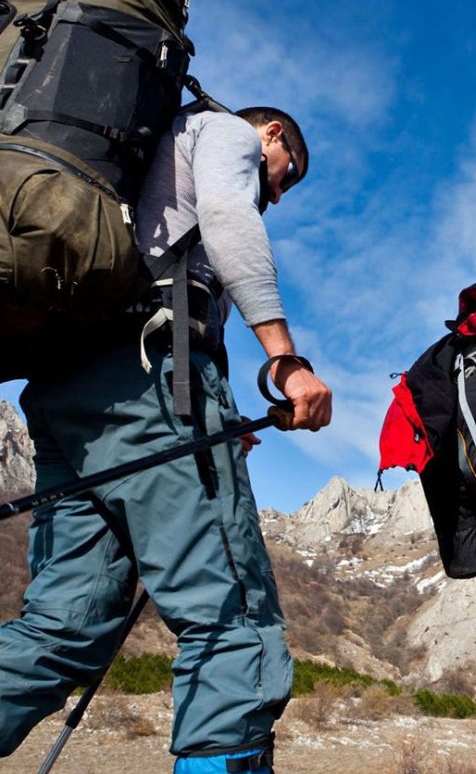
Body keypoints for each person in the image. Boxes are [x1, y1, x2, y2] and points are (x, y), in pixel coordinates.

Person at [0, 106, 332, 774]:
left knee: (63, 624)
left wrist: (220, 420)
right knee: (232, 624)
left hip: (69, 391)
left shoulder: (141, 158)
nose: (274, 196)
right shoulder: (225, 131)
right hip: (148, 381)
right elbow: (229, 220)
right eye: (282, 177)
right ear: (270, 135)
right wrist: (285, 359)